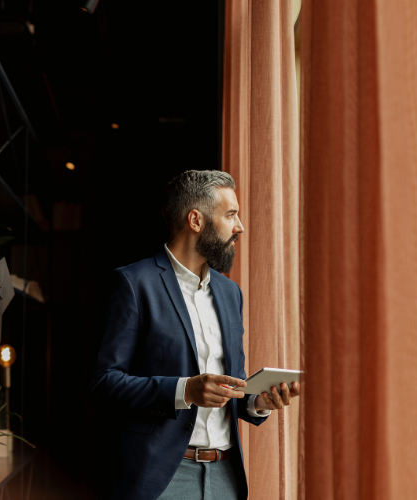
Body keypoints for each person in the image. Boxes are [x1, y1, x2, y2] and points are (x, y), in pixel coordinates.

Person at [88, 170, 301, 500]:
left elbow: (235, 385)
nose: (239, 227)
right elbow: (103, 382)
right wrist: (184, 390)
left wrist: (258, 402)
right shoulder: (133, 283)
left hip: (226, 477)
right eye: (231, 214)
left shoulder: (231, 293)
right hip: (161, 478)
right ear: (196, 220)